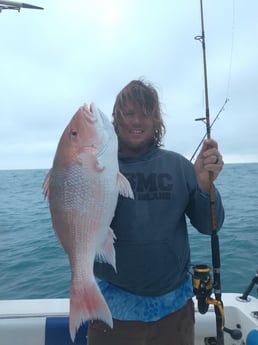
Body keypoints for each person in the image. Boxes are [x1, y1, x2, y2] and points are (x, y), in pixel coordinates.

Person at [87, 79, 224, 345]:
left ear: (156, 120)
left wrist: (205, 188)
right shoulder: (98, 167)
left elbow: (210, 227)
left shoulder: (179, 167)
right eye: (129, 113)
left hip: (174, 313)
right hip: (112, 311)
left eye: (146, 113)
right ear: (116, 118)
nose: (137, 121)